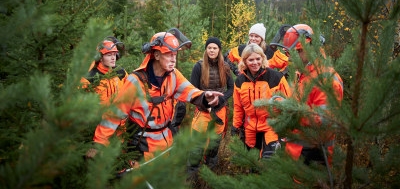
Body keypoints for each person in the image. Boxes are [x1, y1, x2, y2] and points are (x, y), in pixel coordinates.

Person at [86, 29, 224, 164]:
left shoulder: (173, 75)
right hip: (142, 148)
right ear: (156, 55)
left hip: (167, 144)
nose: (173, 59)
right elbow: (114, 115)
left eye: (175, 55)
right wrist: (99, 144)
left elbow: (190, 91)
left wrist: (205, 97)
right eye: (169, 54)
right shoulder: (136, 81)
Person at [280, 24, 343, 168]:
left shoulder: (325, 78)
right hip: (296, 152)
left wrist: (291, 112)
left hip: (313, 155)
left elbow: (325, 119)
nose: (292, 57)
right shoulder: (305, 73)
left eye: (298, 52)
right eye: (290, 53)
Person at [231, 43, 291, 159]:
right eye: (251, 60)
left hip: (271, 127)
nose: (255, 63)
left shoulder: (276, 77)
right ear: (244, 61)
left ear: (263, 58)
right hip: (250, 129)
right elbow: (238, 107)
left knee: (268, 162)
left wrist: (287, 128)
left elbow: (288, 104)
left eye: (258, 59)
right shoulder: (240, 81)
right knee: (253, 163)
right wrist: (235, 126)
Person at [187, 37, 234, 177]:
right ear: (206, 49)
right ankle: (192, 176)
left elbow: (231, 88)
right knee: (197, 145)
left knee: (214, 144)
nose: (212, 50)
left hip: (220, 111)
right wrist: (205, 103)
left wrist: (221, 100)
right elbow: (192, 90)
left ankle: (209, 175)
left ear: (219, 50)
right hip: (202, 111)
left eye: (215, 48)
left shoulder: (225, 66)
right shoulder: (199, 66)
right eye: (209, 48)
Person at [225, 23, 289, 76]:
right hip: (245, 86)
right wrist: (236, 71)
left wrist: (278, 76)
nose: (253, 38)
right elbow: (226, 57)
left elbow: (288, 65)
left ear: (261, 38)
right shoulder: (241, 49)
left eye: (256, 36)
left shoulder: (270, 51)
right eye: (251, 35)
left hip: (264, 87)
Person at [80, 37, 128, 105]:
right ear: (100, 58)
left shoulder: (121, 72)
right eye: (109, 55)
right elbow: (80, 101)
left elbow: (130, 93)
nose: (113, 58)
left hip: (119, 114)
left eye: (114, 54)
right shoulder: (89, 77)